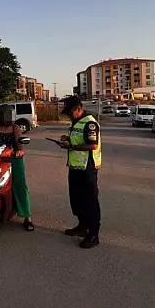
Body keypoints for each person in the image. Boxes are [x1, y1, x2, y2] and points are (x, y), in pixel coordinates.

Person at [56, 96, 102, 248]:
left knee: (90, 202)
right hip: (75, 167)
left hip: (87, 168)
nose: (68, 116)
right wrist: (67, 139)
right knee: (76, 201)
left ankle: (94, 235)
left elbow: (93, 145)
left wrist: (71, 147)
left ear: (78, 109)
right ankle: (82, 227)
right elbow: (77, 139)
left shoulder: (89, 123)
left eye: (69, 112)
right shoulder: (76, 121)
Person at [0, 105, 34, 231]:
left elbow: (19, 142)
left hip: (14, 159)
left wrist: (20, 150)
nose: (8, 117)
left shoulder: (15, 127)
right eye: (6, 115)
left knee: (20, 185)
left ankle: (28, 217)